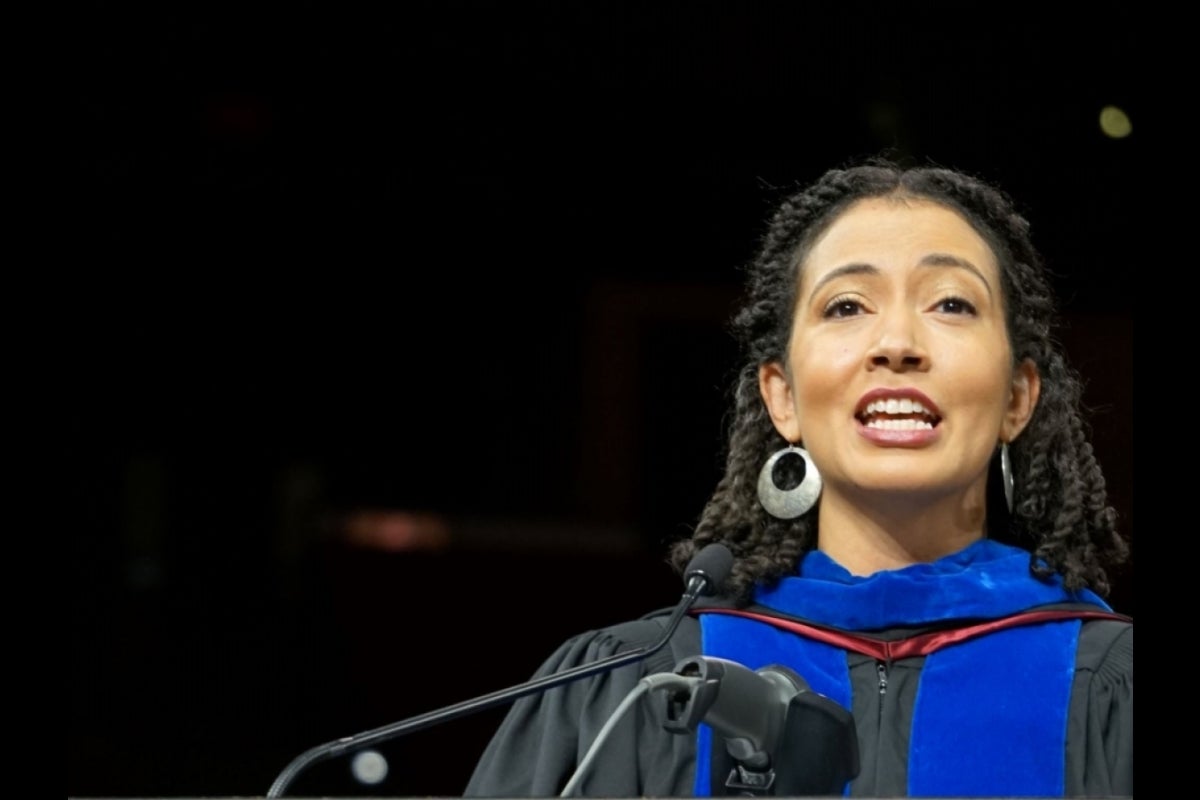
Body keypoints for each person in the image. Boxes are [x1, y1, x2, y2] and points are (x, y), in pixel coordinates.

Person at [462, 159, 1133, 798]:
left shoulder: (1109, 684)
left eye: (952, 304)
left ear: (1018, 398)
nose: (896, 342)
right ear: (781, 397)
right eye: (846, 307)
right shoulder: (641, 689)